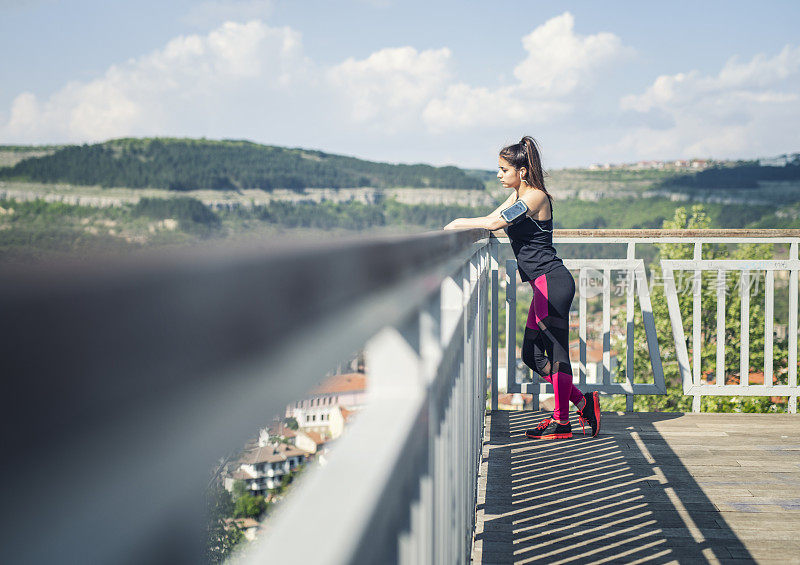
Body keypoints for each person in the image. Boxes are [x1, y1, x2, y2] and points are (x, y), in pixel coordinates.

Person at [443, 136, 601, 439]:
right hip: (542, 285)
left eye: (504, 169)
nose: (499, 175)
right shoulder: (518, 196)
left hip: (552, 282)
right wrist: (463, 224)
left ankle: (562, 422)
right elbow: (491, 218)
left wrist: (456, 222)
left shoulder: (535, 198)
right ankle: (584, 403)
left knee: (556, 353)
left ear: (523, 170)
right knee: (531, 355)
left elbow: (494, 225)